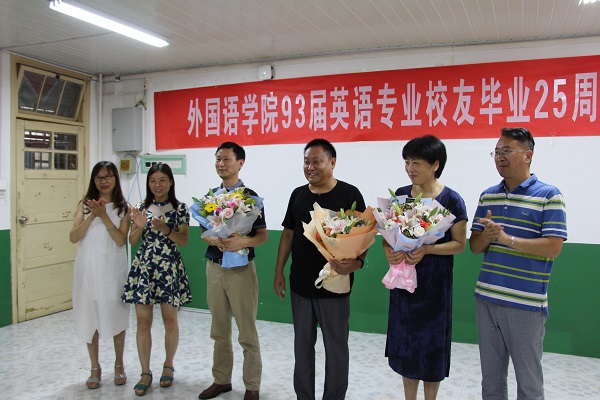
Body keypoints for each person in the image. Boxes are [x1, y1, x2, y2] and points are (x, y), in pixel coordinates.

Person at [470, 127, 567, 400]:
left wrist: (506, 239)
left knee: (528, 383)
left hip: (525, 303)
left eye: (507, 151)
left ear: (528, 155)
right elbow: (475, 247)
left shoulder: (550, 195)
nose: (499, 157)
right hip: (487, 298)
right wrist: (488, 236)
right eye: (496, 152)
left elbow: (553, 247)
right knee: (491, 381)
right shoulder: (488, 196)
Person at [273, 138, 366, 400]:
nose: (310, 167)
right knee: (302, 347)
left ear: (332, 162)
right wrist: (279, 271)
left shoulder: (349, 194)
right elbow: (288, 234)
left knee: (336, 348)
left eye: (317, 161)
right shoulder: (298, 195)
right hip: (300, 284)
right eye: (306, 162)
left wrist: (358, 262)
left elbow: (364, 235)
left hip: (335, 283)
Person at [382, 135, 467, 400]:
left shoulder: (452, 200)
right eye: (407, 162)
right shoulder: (401, 196)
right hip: (404, 284)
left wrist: (428, 249)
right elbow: (387, 236)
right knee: (407, 347)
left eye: (416, 162)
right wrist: (389, 251)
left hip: (434, 287)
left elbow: (459, 244)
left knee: (432, 349)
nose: (410, 168)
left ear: (435, 164)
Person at [198, 142, 267, 400]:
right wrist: (213, 239)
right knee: (219, 329)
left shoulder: (250, 198)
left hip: (241, 270)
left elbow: (262, 237)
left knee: (246, 330)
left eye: (226, 159)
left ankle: (252, 385)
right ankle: (221, 380)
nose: (221, 164)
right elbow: (205, 232)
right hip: (214, 268)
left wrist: (242, 242)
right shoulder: (210, 198)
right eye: (218, 159)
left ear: (240, 163)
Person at [122, 162, 192, 396]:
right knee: (143, 322)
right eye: (153, 181)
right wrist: (139, 227)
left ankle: (168, 365)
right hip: (145, 268)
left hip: (168, 268)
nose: (157, 185)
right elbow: (132, 241)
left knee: (170, 320)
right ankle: (145, 372)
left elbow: (184, 240)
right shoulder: (141, 207)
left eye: (162, 180)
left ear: (170, 182)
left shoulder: (180, 208)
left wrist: (165, 229)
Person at [70, 161, 131, 389]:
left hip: (113, 269)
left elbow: (120, 239)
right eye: (99, 177)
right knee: (90, 315)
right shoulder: (84, 205)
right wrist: (92, 215)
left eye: (108, 177)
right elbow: (73, 237)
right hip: (88, 269)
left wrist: (103, 215)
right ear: (93, 181)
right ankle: (94, 367)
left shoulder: (123, 207)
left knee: (117, 315)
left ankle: (119, 364)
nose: (103, 181)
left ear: (115, 179)